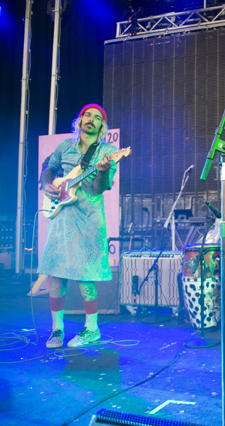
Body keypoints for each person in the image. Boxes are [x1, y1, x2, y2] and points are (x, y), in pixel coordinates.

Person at [38, 104, 118, 349]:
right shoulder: (64, 147)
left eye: (97, 118)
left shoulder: (108, 151)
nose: (91, 119)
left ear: (102, 126)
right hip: (62, 217)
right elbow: (48, 171)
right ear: (80, 120)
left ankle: (92, 329)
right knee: (56, 274)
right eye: (87, 115)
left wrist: (102, 172)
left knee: (85, 275)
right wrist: (47, 185)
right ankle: (57, 329)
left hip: (89, 218)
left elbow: (100, 188)